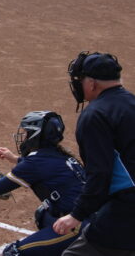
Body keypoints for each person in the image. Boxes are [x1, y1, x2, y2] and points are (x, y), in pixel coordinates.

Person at [0, 111, 89, 256]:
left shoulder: (35, 162)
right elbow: (40, 166)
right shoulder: (59, 155)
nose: (24, 137)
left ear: (36, 135)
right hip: (90, 218)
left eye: (27, 133)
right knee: (43, 214)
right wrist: (14, 158)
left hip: (78, 225)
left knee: (13, 253)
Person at [53, 52, 135, 256]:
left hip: (126, 209)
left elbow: (100, 173)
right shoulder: (131, 103)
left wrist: (77, 215)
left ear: (91, 84)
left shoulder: (95, 115)